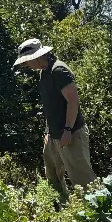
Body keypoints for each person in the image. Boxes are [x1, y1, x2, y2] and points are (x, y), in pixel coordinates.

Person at [13, 37, 97, 204]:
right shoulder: (44, 72)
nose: (26, 66)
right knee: (52, 176)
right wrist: (48, 132)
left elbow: (73, 101)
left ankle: (99, 216)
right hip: (53, 135)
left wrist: (67, 130)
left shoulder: (58, 71)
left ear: (37, 57)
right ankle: (61, 209)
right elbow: (51, 106)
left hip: (71, 134)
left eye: (27, 62)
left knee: (83, 180)